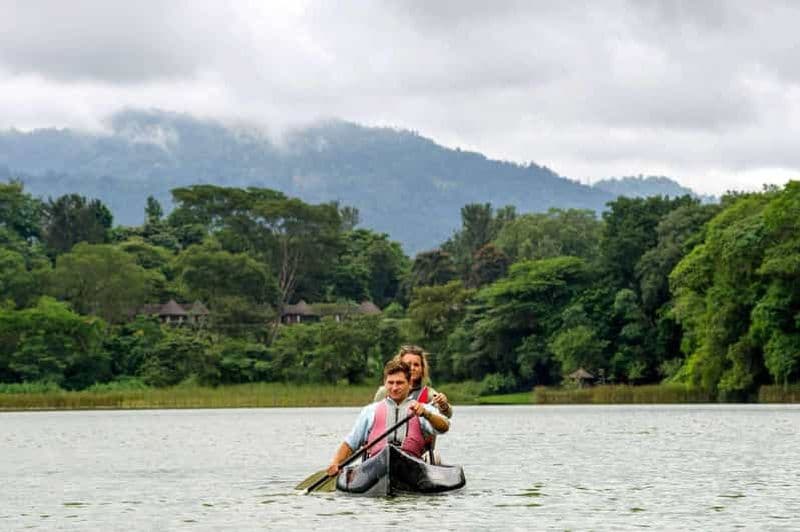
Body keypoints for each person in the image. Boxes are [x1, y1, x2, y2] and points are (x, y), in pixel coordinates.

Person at [326, 359, 449, 476]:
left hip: (412, 465)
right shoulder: (370, 411)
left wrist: (426, 414)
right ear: (385, 382)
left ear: (409, 383)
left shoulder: (423, 409)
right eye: (390, 383)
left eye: (399, 383)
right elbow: (351, 443)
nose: (394, 388)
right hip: (375, 466)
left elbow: (444, 427)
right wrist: (336, 463)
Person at [373, 344, 452, 418]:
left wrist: (444, 406)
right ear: (399, 365)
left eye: (416, 365)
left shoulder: (430, 395)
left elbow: (447, 416)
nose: (412, 368)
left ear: (422, 368)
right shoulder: (384, 392)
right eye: (408, 364)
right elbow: (373, 417)